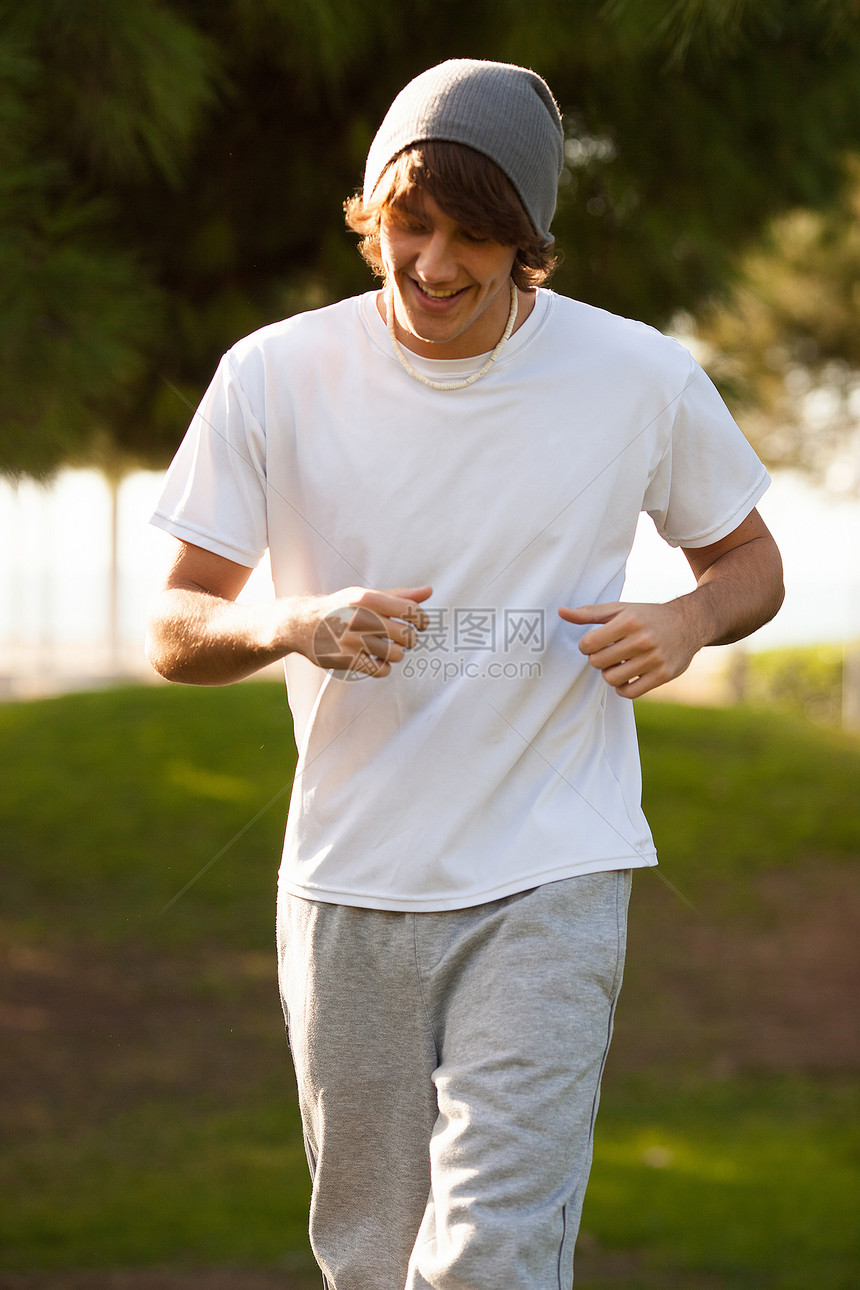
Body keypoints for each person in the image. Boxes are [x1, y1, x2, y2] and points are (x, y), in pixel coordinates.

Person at [146, 58, 783, 1290]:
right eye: (410, 223)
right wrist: (295, 623)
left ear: (527, 243)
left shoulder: (636, 376)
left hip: (551, 869)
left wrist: (692, 618)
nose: (433, 266)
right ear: (371, 213)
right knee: (370, 1261)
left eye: (474, 236)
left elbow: (748, 558)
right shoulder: (272, 373)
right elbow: (175, 626)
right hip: (347, 884)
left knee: (492, 1259)